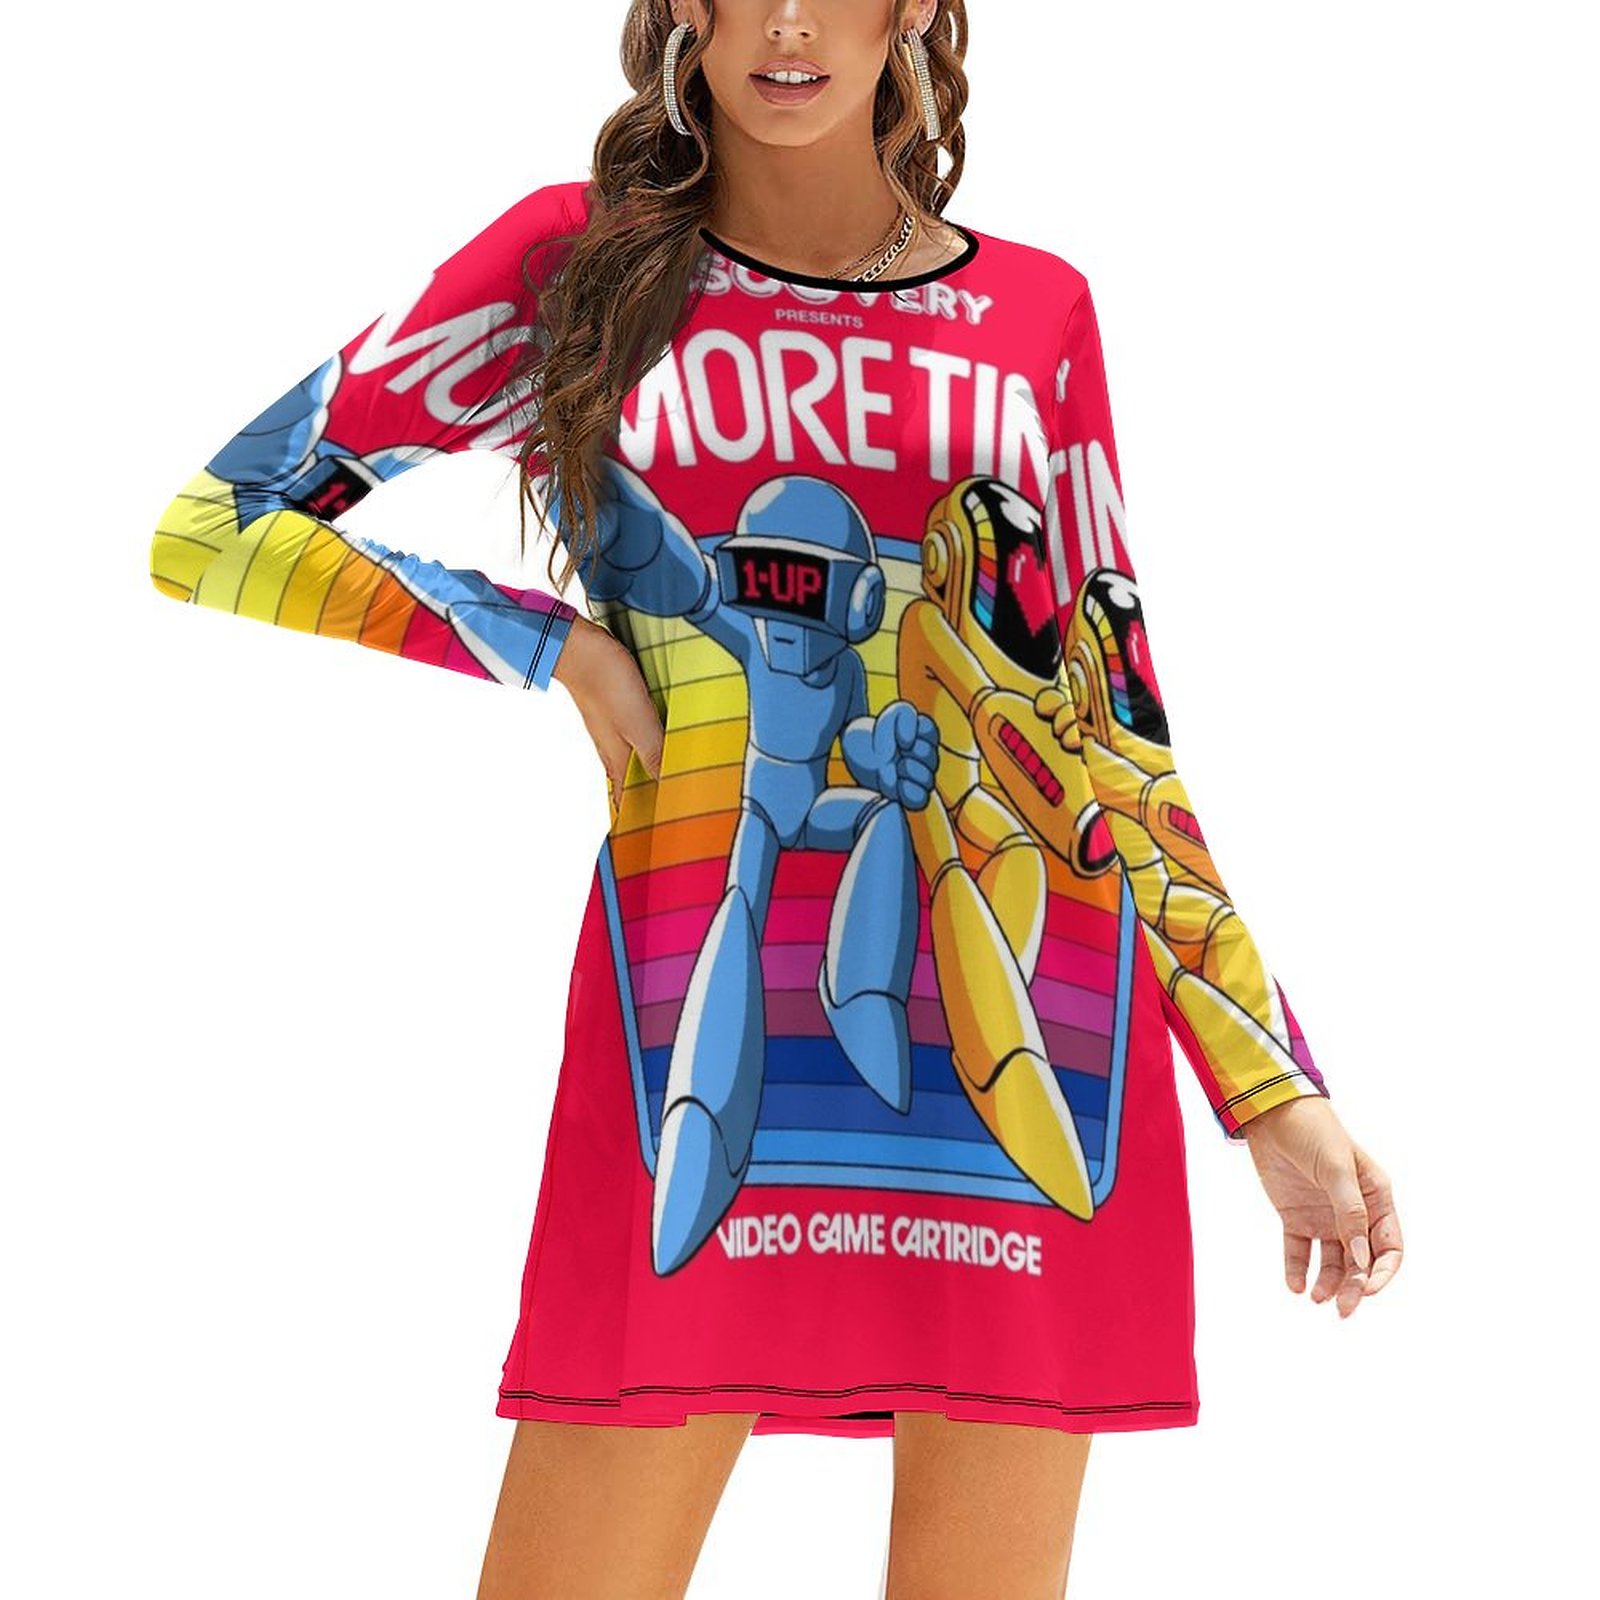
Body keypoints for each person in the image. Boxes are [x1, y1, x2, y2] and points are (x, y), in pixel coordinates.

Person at [148, 2, 1403, 1595]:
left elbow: (1112, 715)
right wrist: (545, 643)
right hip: (692, 1008)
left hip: (1024, 1028)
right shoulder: (576, 270)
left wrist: (1268, 1084)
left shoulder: (1038, 310)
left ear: (915, 10)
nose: (788, 23)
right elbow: (218, 525)